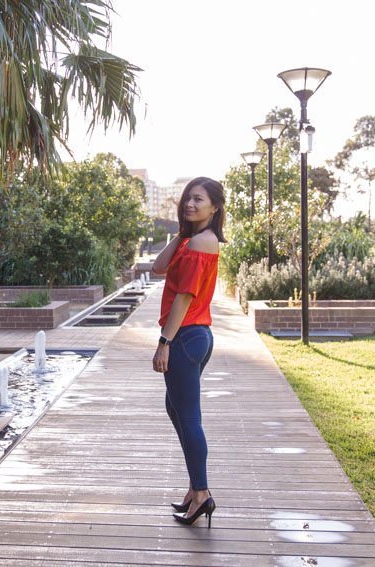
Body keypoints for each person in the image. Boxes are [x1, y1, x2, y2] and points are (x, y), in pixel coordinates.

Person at [151, 176, 226, 528]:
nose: (190, 205)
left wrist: (164, 342)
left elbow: (185, 296)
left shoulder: (204, 242)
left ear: (215, 206)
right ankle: (196, 488)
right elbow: (158, 267)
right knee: (176, 408)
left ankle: (201, 493)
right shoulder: (191, 239)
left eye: (198, 200)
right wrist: (180, 231)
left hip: (185, 336)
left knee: (189, 416)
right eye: (187, 200)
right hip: (193, 335)